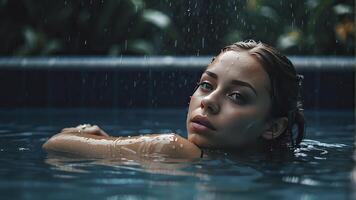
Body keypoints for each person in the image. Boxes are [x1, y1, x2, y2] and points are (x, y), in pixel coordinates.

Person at [42, 40, 305, 159]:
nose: (208, 101)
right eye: (206, 85)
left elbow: (55, 144)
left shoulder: (174, 148)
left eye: (237, 96)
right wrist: (114, 144)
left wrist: (110, 146)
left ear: (274, 127)